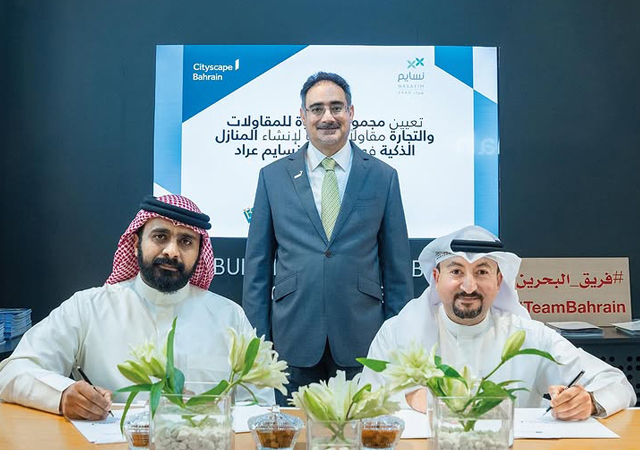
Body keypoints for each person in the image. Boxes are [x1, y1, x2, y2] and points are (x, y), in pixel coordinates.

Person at [0, 194, 274, 420]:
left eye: (186, 241)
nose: (171, 251)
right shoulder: (88, 308)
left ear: (199, 252)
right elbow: (13, 371)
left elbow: (260, 404)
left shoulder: (229, 317)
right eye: (160, 236)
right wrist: (62, 395)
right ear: (135, 244)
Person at [243, 72, 413, 404]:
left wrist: (396, 339)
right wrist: (258, 343)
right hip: (292, 336)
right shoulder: (272, 176)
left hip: (363, 337)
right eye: (317, 108)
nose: (327, 117)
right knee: (293, 429)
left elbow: (397, 269)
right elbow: (257, 267)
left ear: (351, 112)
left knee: (360, 428)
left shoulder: (382, 176)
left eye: (336, 107)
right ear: (302, 116)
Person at [361, 226, 636, 420]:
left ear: (498, 280)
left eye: (482, 272)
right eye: (456, 271)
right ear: (436, 277)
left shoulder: (528, 336)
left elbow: (616, 383)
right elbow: (364, 403)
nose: (469, 286)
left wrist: (588, 402)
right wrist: (410, 399)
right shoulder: (399, 332)